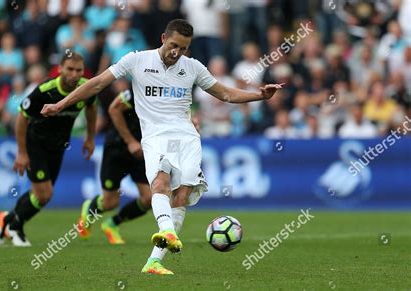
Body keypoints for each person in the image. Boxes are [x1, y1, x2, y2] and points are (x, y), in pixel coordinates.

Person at [41, 19, 283, 275]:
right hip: (155, 137)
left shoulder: (192, 67)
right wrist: (60, 105)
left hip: (188, 139)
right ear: (163, 38)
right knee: (159, 184)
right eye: (174, 45)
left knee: (181, 197)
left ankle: (154, 262)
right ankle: (166, 229)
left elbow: (226, 94)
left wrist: (260, 95)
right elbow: (97, 83)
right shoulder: (137, 60)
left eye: (184, 48)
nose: (178, 52)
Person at [0, 52, 97, 247]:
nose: (75, 74)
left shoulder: (86, 87)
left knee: (41, 195)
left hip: (58, 147)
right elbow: (23, 117)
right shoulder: (45, 90)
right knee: (44, 194)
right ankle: (15, 226)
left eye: (79, 70)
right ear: (60, 69)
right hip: (35, 143)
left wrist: (90, 137)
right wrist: (22, 152)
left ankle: (7, 218)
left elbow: (91, 108)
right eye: (70, 69)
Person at [77, 89, 151, 244]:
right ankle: (91, 206)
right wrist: (130, 141)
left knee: (149, 198)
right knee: (110, 203)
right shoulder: (137, 89)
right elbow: (113, 109)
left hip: (141, 151)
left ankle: (112, 224)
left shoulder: (166, 90)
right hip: (118, 148)